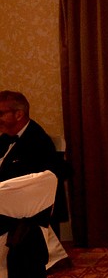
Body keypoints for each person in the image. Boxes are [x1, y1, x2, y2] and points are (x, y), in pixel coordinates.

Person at [0, 90, 70, 266]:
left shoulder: (37, 141)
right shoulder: (6, 138)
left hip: (22, 203)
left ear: (18, 114)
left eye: (0, 113)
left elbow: (30, 180)